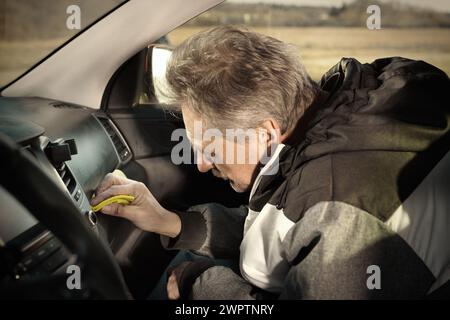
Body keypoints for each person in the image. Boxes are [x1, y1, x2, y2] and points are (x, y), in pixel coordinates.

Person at [91, 26, 450, 299]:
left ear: (264, 133)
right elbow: (284, 226)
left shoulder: (336, 211)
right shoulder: (358, 102)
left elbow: (310, 223)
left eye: (211, 147)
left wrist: (198, 284)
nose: (201, 164)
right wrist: (170, 222)